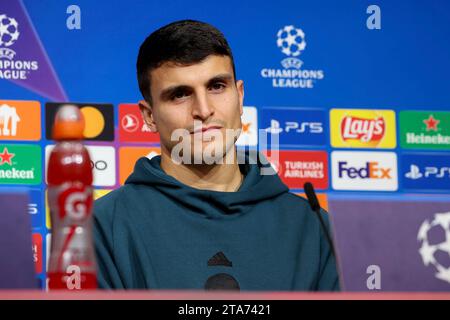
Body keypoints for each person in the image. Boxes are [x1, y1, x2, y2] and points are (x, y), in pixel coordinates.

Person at [93, 19, 340, 291]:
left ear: (240, 95)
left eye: (217, 86)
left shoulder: (313, 227)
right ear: (149, 116)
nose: (203, 109)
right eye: (179, 94)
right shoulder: (105, 225)